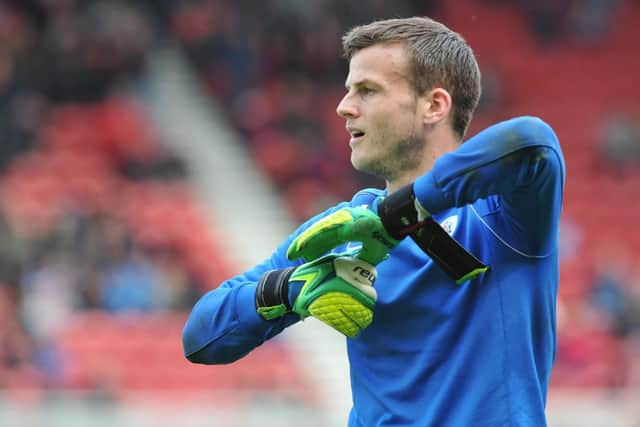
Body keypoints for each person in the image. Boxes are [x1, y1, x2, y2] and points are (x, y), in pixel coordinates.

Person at [182, 16, 565, 426]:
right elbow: (202, 337)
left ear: (434, 105)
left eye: (367, 91)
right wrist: (292, 289)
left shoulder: (502, 217)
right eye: (349, 90)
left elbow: (532, 141)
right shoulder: (344, 230)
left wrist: (397, 215)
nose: (344, 107)